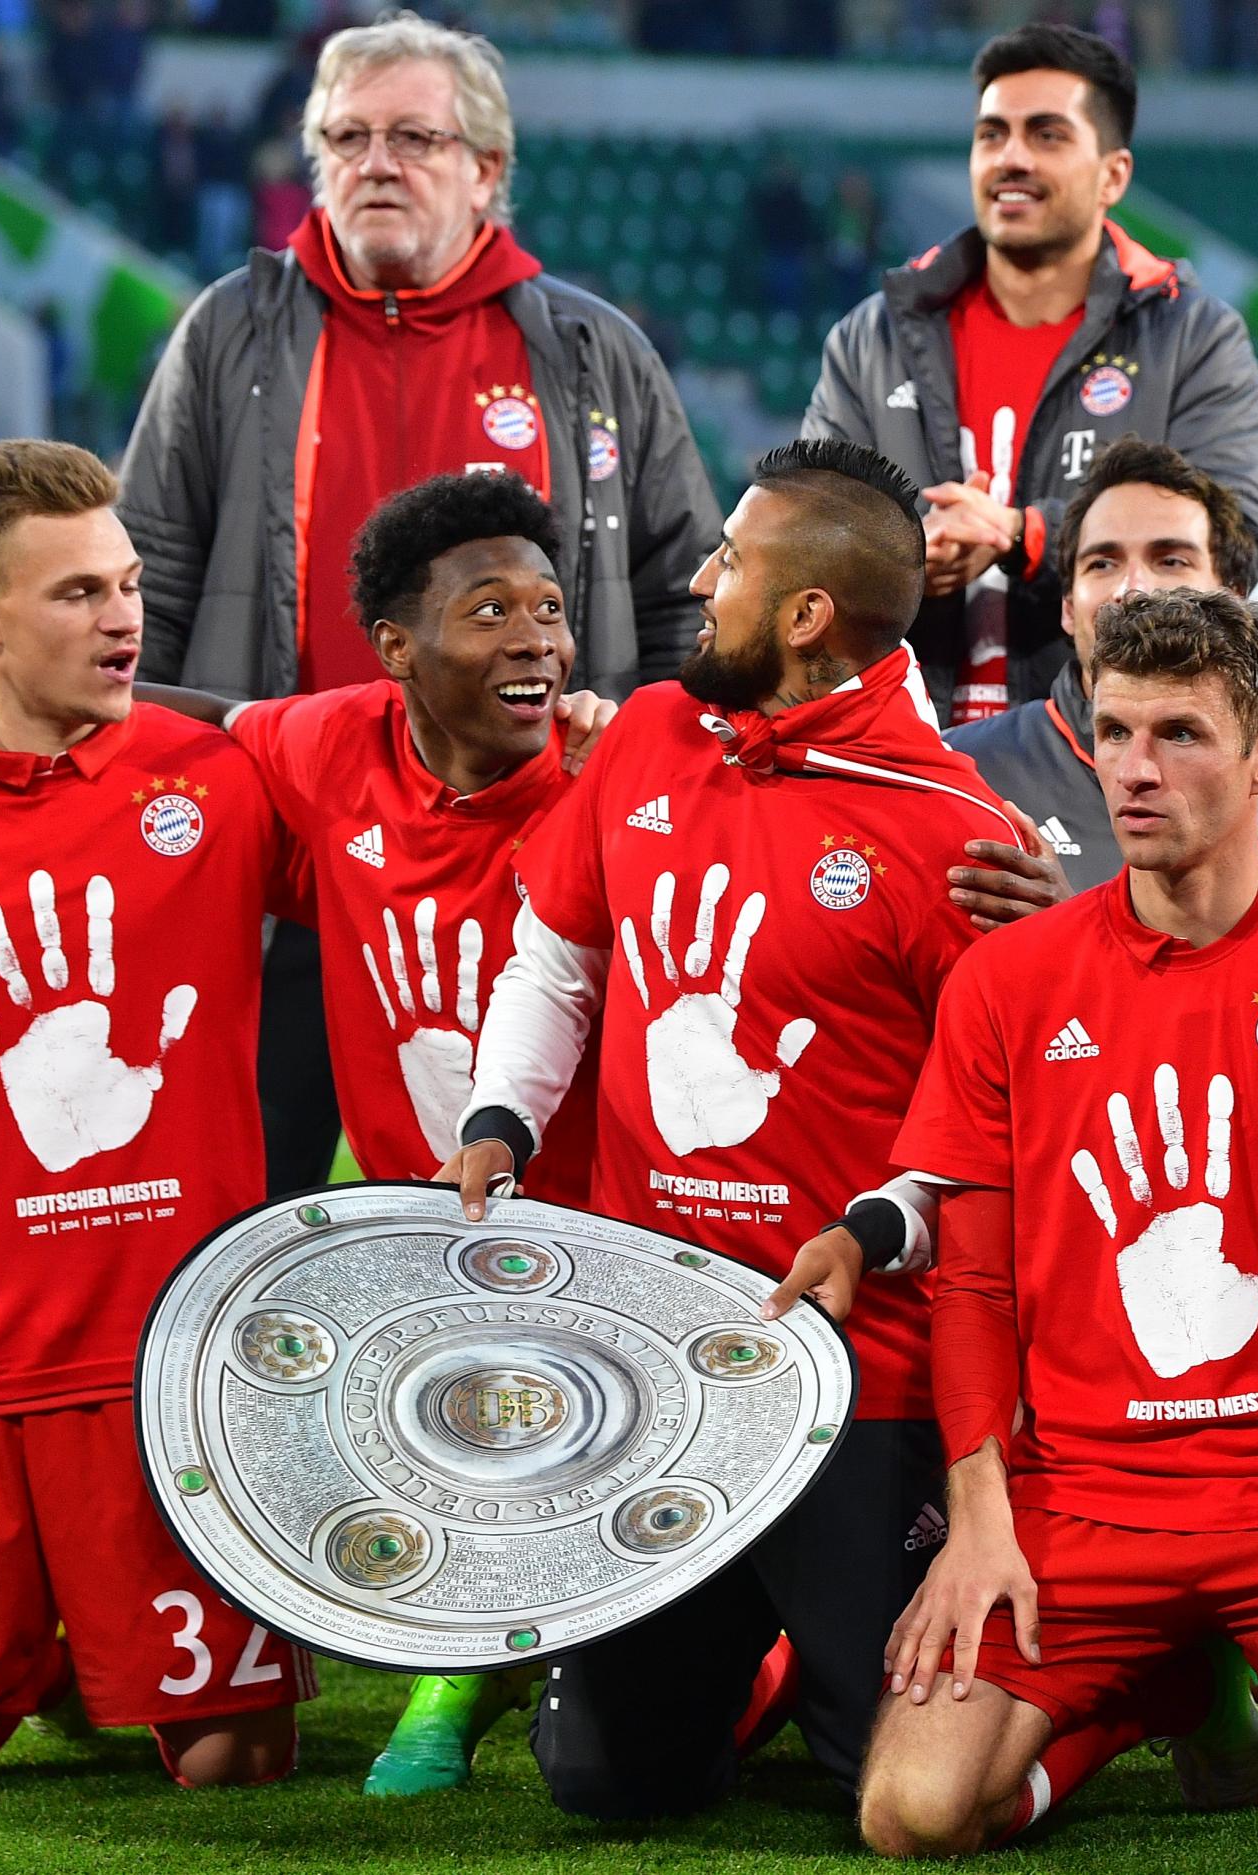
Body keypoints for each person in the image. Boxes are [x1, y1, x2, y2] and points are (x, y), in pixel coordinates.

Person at [856, 586, 1258, 1855]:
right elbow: (975, 1292)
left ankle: (1232, 1681)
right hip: (1087, 1493)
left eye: (1178, 735)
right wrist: (979, 1517)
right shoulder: (1008, 983)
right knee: (916, 1814)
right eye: (1112, 733)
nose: (1132, 770)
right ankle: (1160, 1685)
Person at [434, 439, 1029, 1819]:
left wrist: (884, 1228)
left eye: (731, 562)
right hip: (657, 1355)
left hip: (860, 1372)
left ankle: (922, 1663)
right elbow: (557, 953)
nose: (701, 580)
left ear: (808, 614)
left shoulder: (957, 837)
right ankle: (745, 1665)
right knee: (605, 1781)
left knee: (907, 1784)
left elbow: (994, 1135)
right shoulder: (649, 730)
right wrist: (499, 1114)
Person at [118, 11, 721, 1199]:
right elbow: (152, 582)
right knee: (257, 1206)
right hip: (296, 851)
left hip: (545, 859)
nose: (375, 164)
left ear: (487, 170)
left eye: (413, 138)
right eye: (346, 138)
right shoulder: (230, 330)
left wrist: (647, 786)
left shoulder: (595, 353)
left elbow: (685, 599)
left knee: (559, 1206)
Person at [0, 440, 307, 1793]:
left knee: (230, 1759)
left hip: (162, 1364)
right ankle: (37, 1660)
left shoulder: (227, 777)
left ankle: (91, 1642)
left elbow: (406, 799)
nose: (121, 615)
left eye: (126, 583)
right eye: (75, 593)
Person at [802, 23, 1258, 724]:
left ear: (1114, 174)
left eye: (1047, 135)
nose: (1011, 158)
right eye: (992, 135)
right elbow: (806, 534)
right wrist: (900, 558)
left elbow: (1233, 537)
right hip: (895, 758)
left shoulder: (1194, 337)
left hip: (1104, 759)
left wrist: (1024, 536)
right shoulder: (872, 338)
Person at [946, 435, 1258, 889]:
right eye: (1103, 563)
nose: (1135, 589)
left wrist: (1068, 940)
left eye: (1171, 560)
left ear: (1233, 597)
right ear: (1067, 606)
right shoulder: (965, 776)